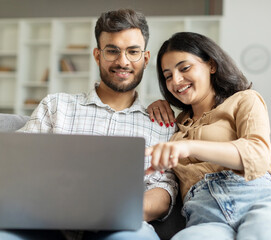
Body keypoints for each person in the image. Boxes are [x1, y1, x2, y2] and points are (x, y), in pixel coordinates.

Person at [0, 9, 176, 240]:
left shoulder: (161, 123)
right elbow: (14, 165)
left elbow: (165, 189)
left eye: (133, 52)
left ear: (145, 58)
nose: (123, 61)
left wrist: (114, 212)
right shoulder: (55, 106)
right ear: (97, 55)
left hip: (120, 229)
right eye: (112, 51)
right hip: (45, 224)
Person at [145, 32, 271, 240]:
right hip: (205, 215)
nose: (176, 80)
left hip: (259, 198)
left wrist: (190, 147)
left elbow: (257, 156)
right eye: (168, 76)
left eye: (184, 68)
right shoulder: (176, 124)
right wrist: (156, 106)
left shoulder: (245, 100)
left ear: (211, 65)